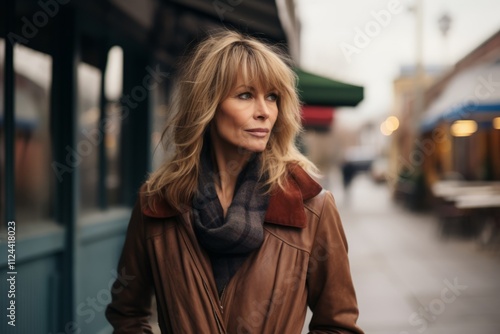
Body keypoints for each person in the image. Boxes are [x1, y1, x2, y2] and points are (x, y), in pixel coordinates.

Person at [106, 29, 364, 334]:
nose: (265, 111)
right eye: (245, 95)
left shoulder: (311, 207)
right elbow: (127, 313)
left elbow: (338, 326)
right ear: (208, 105)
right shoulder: (158, 202)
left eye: (272, 97)